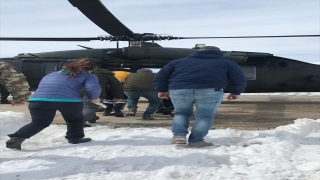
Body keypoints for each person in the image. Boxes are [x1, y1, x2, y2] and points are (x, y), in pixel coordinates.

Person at [153, 46, 247, 148]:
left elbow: (161, 76)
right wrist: (235, 92)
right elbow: (239, 79)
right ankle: (196, 141)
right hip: (211, 90)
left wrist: (162, 90)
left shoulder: (178, 62)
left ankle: (179, 137)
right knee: (204, 116)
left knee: (181, 113)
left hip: (179, 89)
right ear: (219, 53)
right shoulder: (228, 63)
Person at [5, 58, 101, 150]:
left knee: (39, 122)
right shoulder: (89, 76)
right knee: (75, 120)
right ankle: (75, 138)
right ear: (89, 69)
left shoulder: (51, 74)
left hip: (38, 100)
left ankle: (16, 139)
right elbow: (92, 87)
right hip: (69, 101)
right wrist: (94, 98)